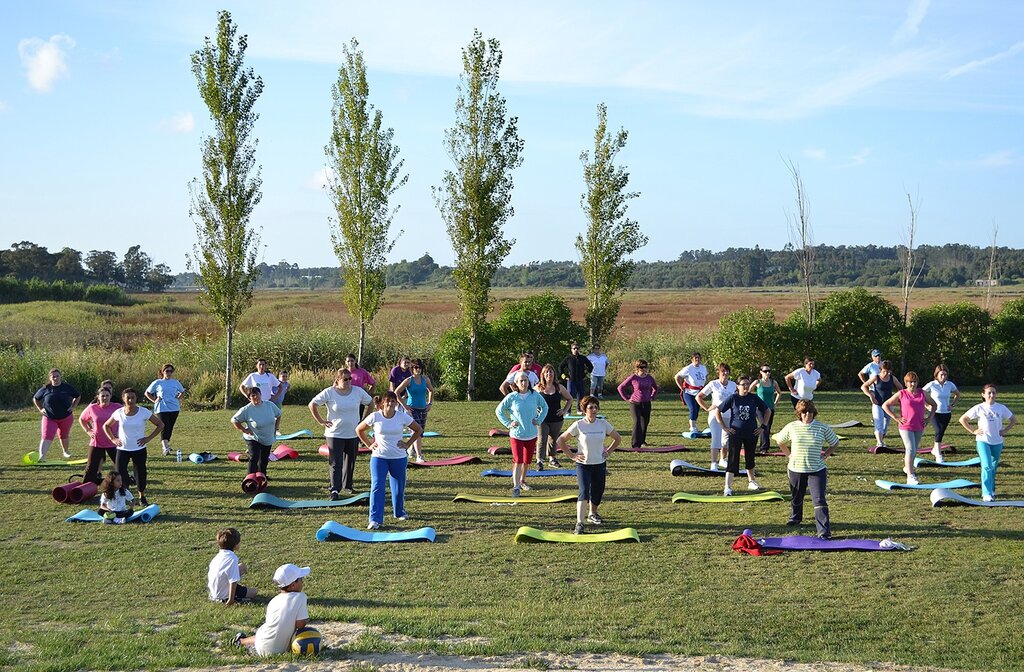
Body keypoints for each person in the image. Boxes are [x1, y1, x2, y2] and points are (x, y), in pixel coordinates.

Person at [773, 400, 839, 539]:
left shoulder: (822, 427)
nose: (807, 415)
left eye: (810, 412)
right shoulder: (792, 427)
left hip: (817, 470)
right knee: (797, 496)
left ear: (814, 413)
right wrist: (788, 454)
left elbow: (834, 442)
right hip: (796, 468)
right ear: (799, 413)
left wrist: (826, 454)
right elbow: (780, 440)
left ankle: (823, 531)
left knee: (819, 499)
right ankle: (795, 518)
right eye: (804, 412)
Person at [356, 391, 423, 529]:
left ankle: (399, 512)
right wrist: (369, 444)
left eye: (393, 401)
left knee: (399, 488)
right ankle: (375, 519)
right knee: (377, 487)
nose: (390, 403)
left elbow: (418, 429)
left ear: (396, 403)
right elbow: (359, 430)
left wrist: (407, 444)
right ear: (382, 403)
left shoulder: (401, 416)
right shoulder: (375, 416)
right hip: (379, 457)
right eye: (388, 401)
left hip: (398, 457)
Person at [556, 395, 621, 535]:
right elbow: (560, 440)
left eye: (596, 407)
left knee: (598, 491)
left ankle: (593, 513)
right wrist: (572, 455)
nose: (594, 409)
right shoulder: (578, 425)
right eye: (590, 407)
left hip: (599, 464)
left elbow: (617, 438)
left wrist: (608, 451)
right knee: (584, 492)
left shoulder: (603, 424)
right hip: (583, 465)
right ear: (585, 409)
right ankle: (579, 523)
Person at [309, 369, 373, 499]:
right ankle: (335, 489)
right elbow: (312, 404)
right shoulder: (329, 392)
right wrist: (321, 421)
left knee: (350, 462)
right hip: (334, 434)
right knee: (336, 462)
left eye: (350, 379)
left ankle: (347, 485)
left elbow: (370, 403)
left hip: (353, 434)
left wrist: (364, 421)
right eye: (345, 379)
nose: (349, 381)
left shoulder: (357, 391)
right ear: (338, 380)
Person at [103, 388, 164, 507]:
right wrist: (113, 439)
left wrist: (148, 438)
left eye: (133, 397)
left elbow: (160, 424)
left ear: (136, 398)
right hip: (122, 449)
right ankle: (124, 496)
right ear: (123, 399)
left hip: (139, 449)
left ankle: (142, 496)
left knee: (140, 473)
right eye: (128, 398)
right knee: (120, 474)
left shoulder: (143, 412)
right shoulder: (119, 412)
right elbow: (106, 426)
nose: (130, 400)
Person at [235, 564, 310, 657]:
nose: (302, 582)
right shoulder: (301, 597)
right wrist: (306, 620)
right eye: (301, 579)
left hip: (262, 646)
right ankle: (242, 641)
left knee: (267, 634)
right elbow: (300, 624)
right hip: (280, 649)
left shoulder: (274, 601)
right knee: (274, 634)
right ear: (293, 585)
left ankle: (241, 641)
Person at [713, 375, 771, 494]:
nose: (746, 386)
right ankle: (727, 487)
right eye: (743, 384)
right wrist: (724, 427)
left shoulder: (754, 398)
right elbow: (717, 411)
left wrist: (762, 427)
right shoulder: (733, 398)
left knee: (750, 457)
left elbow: (767, 410)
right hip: (735, 433)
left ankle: (752, 482)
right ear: (738, 386)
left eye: (747, 384)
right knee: (733, 459)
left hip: (752, 433)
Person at [959, 385, 1017, 502]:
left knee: (993, 467)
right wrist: (973, 431)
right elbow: (963, 419)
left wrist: (1005, 430)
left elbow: (1013, 419)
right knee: (986, 466)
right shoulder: (979, 408)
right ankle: (986, 493)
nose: (992, 395)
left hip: (997, 442)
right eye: (989, 393)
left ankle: (992, 489)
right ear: (983, 395)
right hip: (983, 441)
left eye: (994, 393)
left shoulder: (1001, 408)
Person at [494, 372, 547, 497]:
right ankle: (516, 487)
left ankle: (523, 481)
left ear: (529, 382)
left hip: (531, 434)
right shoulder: (512, 397)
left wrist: (538, 420)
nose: (524, 383)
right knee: (518, 460)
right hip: (517, 434)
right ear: (516, 383)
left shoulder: (535, 395)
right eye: (521, 381)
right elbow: (499, 411)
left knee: (527, 460)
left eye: (525, 380)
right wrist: (508, 423)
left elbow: (545, 407)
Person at [883, 371, 935, 485]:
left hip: (919, 425)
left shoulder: (922, 393)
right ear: (906, 383)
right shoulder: (902, 393)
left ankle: (908, 467)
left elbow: (934, 405)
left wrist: (929, 418)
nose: (913, 384)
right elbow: (885, 405)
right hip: (906, 426)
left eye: (914, 382)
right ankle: (910, 476)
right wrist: (896, 417)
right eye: (910, 382)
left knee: (914, 450)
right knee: (910, 449)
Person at [231, 387, 282, 481]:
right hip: (253, 437)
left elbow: (278, 414)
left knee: (264, 458)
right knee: (254, 456)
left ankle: (262, 476)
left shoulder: (269, 405)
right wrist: (244, 430)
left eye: (257, 394)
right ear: (249, 398)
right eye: (253, 395)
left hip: (267, 436)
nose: (256, 397)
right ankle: (250, 478)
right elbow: (234, 420)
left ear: (260, 394)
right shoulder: (246, 409)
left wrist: (276, 427)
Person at [33, 368, 80, 460]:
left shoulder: (67, 387)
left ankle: (65, 452)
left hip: (66, 417)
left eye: (57, 376)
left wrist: (73, 407)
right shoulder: (45, 389)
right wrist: (41, 409)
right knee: (47, 435)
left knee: (64, 435)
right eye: (53, 376)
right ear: (50, 378)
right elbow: (36, 398)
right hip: (49, 417)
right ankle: (42, 457)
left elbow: (77, 396)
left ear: (60, 376)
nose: (55, 378)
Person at [696, 363, 737, 471]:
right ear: (718, 372)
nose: (725, 373)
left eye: (727, 371)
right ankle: (713, 463)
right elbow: (699, 396)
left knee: (726, 439)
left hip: (729, 415)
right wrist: (707, 408)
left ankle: (723, 459)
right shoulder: (713, 384)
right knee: (716, 438)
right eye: (723, 371)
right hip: (715, 416)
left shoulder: (733, 385)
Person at [395, 359, 435, 463]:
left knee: (420, 432)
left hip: (423, 409)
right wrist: (405, 406)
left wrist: (430, 403)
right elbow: (397, 392)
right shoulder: (409, 380)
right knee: (417, 431)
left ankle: (410, 448)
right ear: (412, 369)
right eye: (416, 367)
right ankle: (419, 456)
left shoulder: (425, 379)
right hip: (412, 410)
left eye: (420, 367)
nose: (418, 370)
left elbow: (431, 390)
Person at [79, 387, 122, 484]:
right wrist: (88, 431)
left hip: (113, 442)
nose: (105, 398)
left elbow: (126, 418)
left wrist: (120, 434)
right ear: (98, 397)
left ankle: (123, 485)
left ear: (111, 396)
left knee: (120, 466)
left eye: (107, 395)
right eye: (102, 396)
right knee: (91, 467)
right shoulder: (92, 408)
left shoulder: (118, 407)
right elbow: (82, 419)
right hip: (96, 442)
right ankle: (86, 487)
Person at [534, 363, 573, 470]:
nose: (549, 374)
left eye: (551, 372)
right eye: (546, 372)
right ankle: (539, 461)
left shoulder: (559, 387)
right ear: (543, 374)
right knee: (542, 439)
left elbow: (570, 399)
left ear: (554, 374)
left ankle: (552, 459)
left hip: (557, 419)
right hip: (542, 419)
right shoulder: (538, 388)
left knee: (553, 439)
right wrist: (535, 409)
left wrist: (564, 411)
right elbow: (530, 399)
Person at [145, 363, 186, 456]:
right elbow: (147, 393)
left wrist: (178, 397)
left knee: (170, 427)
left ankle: (167, 443)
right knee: (163, 426)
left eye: (171, 371)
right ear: (162, 372)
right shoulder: (157, 382)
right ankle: (165, 447)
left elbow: (182, 391)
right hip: (162, 408)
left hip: (174, 408)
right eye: (167, 371)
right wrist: (154, 400)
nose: (169, 373)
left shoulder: (175, 382)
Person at [617, 359, 659, 449]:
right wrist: (626, 398)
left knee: (645, 422)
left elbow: (655, 388)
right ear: (637, 368)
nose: (643, 369)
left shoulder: (649, 378)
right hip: (635, 403)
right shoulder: (633, 377)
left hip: (646, 403)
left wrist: (652, 396)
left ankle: (643, 441)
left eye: (645, 367)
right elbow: (620, 387)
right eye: (641, 367)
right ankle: (635, 444)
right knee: (637, 422)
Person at [860, 360, 902, 450]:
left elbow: (901, 389)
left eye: (888, 371)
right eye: (884, 371)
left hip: (888, 405)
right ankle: (880, 442)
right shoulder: (876, 378)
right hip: (877, 404)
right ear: (880, 370)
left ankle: (881, 440)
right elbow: (863, 387)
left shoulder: (892, 378)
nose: (886, 373)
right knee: (878, 423)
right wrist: (871, 395)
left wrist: (896, 399)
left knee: (885, 425)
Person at [923, 364, 960, 464]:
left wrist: (952, 405)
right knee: (938, 431)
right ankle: (938, 454)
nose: (943, 377)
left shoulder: (950, 385)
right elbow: (921, 394)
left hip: (946, 413)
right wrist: (927, 405)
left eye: (945, 374)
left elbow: (957, 394)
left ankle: (935, 449)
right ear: (936, 375)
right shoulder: (932, 384)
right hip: (935, 413)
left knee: (941, 433)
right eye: (941, 375)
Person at [208, 527, 255, 605]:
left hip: (214, 592)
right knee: (254, 592)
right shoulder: (232, 559)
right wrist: (230, 600)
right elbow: (233, 581)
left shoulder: (218, 557)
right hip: (223, 596)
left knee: (242, 567)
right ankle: (234, 596)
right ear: (235, 545)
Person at [674, 352, 708, 434]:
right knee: (693, 409)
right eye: (695, 358)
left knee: (696, 410)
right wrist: (681, 387)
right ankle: (692, 427)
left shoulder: (703, 368)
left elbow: (705, 377)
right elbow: (677, 377)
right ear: (692, 359)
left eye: (699, 358)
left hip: (699, 394)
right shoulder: (688, 368)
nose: (697, 359)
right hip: (689, 393)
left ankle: (694, 425)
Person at [750, 364, 781, 453]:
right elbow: (748, 392)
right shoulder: (757, 382)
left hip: (770, 408)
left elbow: (779, 393)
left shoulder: (773, 382)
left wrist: (775, 403)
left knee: (768, 427)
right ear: (761, 372)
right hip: (759, 409)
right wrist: (753, 403)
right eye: (765, 371)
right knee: (764, 426)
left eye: (769, 371)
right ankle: (764, 448)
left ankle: (765, 446)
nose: (767, 373)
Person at [558, 342, 593, 410]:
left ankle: (579, 409)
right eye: (574, 348)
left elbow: (590, 367)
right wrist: (564, 377)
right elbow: (560, 367)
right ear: (571, 349)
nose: (576, 350)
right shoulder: (568, 358)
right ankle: (568, 410)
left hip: (581, 380)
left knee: (581, 396)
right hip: (571, 380)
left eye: (577, 348)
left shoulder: (583, 358)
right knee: (569, 395)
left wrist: (585, 373)